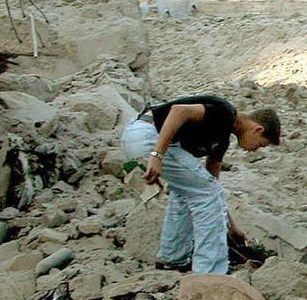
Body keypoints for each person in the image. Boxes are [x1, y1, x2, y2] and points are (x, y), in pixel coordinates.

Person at [120, 95, 281, 274]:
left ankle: (172, 259)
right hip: (149, 137)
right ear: (258, 129)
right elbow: (178, 111)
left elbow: (211, 186)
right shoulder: (224, 112)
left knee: (186, 193)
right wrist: (157, 156)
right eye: (259, 145)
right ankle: (210, 271)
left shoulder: (222, 140)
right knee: (204, 192)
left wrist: (231, 226)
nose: (254, 150)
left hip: (137, 135)